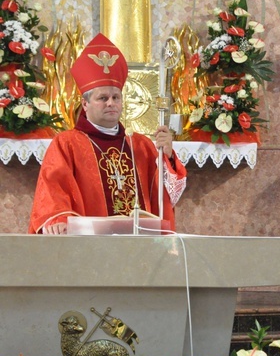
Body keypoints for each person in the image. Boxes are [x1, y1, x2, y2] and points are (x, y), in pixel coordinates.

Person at [28, 33, 187, 234]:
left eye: (116, 97)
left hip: (139, 245)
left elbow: (167, 197)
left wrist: (168, 157)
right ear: (85, 104)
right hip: (90, 248)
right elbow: (53, 188)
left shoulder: (140, 144)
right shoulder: (67, 143)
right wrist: (58, 217)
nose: (111, 103)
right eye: (102, 98)